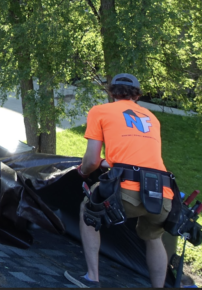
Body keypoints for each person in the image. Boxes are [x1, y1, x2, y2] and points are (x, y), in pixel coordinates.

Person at [65, 74, 174, 289]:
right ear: (138, 94)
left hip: (127, 191)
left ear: (111, 91)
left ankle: (92, 278)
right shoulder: (153, 118)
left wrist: (84, 172)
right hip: (162, 193)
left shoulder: (100, 111)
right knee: (153, 237)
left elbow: (91, 160)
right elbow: (139, 155)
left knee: (88, 210)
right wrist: (112, 162)